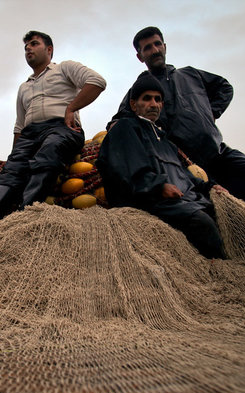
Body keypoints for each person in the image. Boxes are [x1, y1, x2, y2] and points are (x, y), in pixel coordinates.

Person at [109, 26, 245, 224]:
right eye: (147, 48)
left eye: (157, 44)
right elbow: (120, 120)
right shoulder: (141, 89)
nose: (155, 50)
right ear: (140, 57)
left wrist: (210, 113)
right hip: (186, 166)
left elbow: (224, 87)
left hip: (217, 151)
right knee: (225, 215)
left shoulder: (191, 74)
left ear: (165, 46)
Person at [0, 31, 106, 221]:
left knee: (48, 152)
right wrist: (15, 156)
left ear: (49, 50)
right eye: (26, 47)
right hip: (31, 133)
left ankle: (26, 213)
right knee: (13, 169)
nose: (28, 49)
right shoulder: (24, 87)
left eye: (33, 44)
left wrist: (71, 108)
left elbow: (96, 81)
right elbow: (19, 126)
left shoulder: (65, 68)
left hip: (62, 128)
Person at [97, 76, 227, 259]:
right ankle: (221, 270)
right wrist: (158, 186)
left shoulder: (165, 141)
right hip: (150, 200)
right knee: (202, 222)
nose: (153, 104)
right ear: (134, 105)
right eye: (147, 98)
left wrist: (209, 186)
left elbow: (183, 175)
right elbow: (125, 168)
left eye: (158, 99)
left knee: (222, 216)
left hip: (181, 200)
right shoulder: (125, 128)